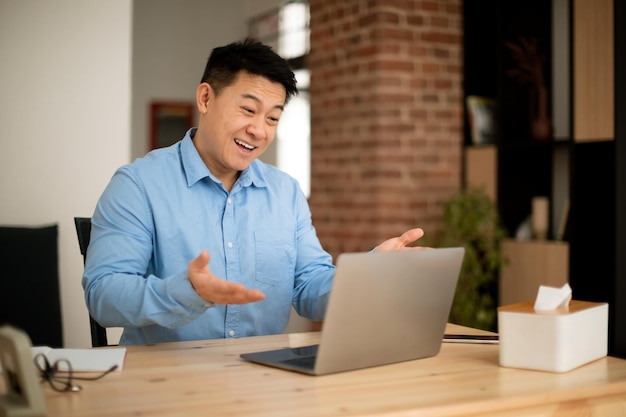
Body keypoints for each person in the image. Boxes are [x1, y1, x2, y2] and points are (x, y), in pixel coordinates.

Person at [83, 38, 425, 345]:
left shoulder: (285, 192)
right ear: (205, 98)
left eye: (273, 119)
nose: (259, 130)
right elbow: (104, 295)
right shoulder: (138, 184)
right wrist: (185, 291)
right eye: (248, 110)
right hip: (164, 381)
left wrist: (370, 273)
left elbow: (309, 286)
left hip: (264, 378)